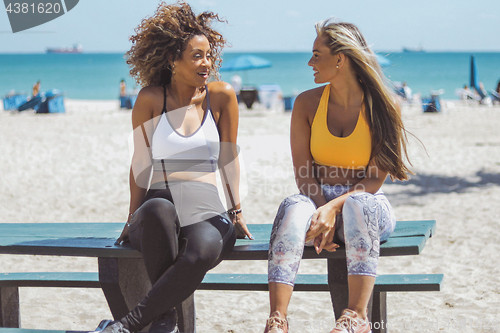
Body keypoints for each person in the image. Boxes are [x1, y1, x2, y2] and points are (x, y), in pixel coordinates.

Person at [96, 2, 252, 333]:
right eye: (197, 56)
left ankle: (133, 324)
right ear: (173, 60)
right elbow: (140, 162)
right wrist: (130, 218)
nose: (207, 62)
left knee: (202, 249)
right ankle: (164, 319)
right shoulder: (152, 99)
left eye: (209, 54)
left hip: (204, 202)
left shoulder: (221, 97)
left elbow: (229, 157)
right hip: (161, 200)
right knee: (155, 211)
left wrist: (236, 211)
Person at [263, 19, 412, 333]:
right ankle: (277, 320)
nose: (310, 62)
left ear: (340, 59)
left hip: (367, 205)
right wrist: (321, 211)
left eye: (317, 55)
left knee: (358, 202)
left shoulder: (385, 107)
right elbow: (303, 174)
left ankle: (356, 316)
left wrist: (333, 209)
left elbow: (374, 180)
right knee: (293, 206)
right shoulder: (306, 103)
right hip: (316, 198)